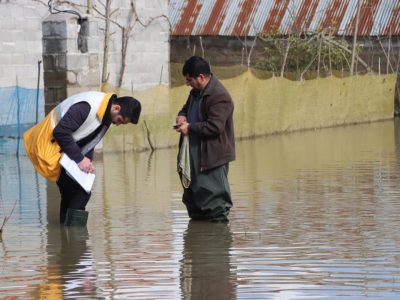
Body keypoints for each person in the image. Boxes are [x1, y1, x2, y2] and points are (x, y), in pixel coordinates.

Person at [24, 91, 141, 226]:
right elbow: (61, 132)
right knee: (81, 191)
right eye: (120, 120)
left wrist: (88, 162)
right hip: (45, 145)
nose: (118, 124)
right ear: (116, 108)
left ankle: (67, 237)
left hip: (60, 150)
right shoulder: (87, 107)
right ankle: (76, 240)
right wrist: (80, 159)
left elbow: (88, 141)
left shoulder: (106, 116)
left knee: (70, 192)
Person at [175, 56, 235, 222]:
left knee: (215, 202)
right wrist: (182, 116)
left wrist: (190, 127)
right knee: (193, 196)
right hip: (194, 151)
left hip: (212, 155)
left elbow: (215, 127)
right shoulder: (195, 92)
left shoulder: (219, 96)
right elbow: (186, 108)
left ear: (201, 77)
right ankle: (197, 241)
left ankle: (216, 242)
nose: (188, 83)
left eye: (190, 80)